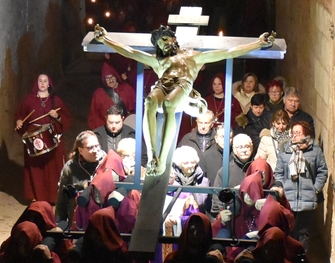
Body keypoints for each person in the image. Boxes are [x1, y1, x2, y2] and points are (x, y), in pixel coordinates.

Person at [91, 24, 274, 176]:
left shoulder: (192, 57)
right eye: (159, 45)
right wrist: (105, 39)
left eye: (164, 40)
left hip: (182, 88)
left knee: (170, 104)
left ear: (172, 39)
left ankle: (162, 159)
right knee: (149, 102)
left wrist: (258, 43)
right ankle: (154, 154)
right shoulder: (159, 61)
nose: (163, 46)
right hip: (163, 86)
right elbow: (129, 52)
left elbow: (228, 52)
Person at [273, 121, 328, 253]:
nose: (295, 136)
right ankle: (290, 259)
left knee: (304, 232)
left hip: (307, 200)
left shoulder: (315, 151)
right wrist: (281, 187)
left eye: (298, 133)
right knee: (290, 231)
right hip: (289, 199)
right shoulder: (285, 151)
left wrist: (315, 189)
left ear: (306, 134)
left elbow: (322, 172)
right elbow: (278, 173)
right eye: (293, 133)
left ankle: (302, 261)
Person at [15, 74, 70, 204]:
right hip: (34, 138)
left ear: (49, 83)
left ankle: (54, 197)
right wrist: (18, 121)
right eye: (40, 80)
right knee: (35, 168)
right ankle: (36, 195)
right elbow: (20, 114)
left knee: (53, 167)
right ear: (36, 83)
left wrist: (57, 116)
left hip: (52, 136)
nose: (43, 83)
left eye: (45, 81)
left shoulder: (55, 100)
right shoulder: (28, 100)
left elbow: (66, 118)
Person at [55, 131, 102, 225]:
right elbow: (62, 199)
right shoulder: (70, 167)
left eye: (97, 146)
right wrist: (59, 224)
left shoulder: (106, 162)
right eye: (90, 147)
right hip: (78, 218)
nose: (96, 150)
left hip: (100, 218)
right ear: (80, 150)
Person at [87, 63, 136, 130]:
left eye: (112, 76)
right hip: (107, 130)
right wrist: (104, 128)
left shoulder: (127, 89)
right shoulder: (98, 94)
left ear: (116, 77)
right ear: (104, 80)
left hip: (126, 128)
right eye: (107, 78)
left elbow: (137, 108)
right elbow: (94, 115)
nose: (110, 80)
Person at [181, 110, 224, 184]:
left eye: (206, 123)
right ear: (197, 122)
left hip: (214, 180)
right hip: (192, 181)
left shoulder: (220, 139)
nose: (203, 126)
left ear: (212, 123)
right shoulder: (187, 139)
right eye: (200, 123)